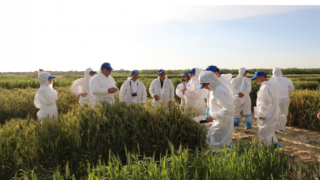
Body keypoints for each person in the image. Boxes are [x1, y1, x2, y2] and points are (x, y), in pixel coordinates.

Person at [199, 71, 234, 152]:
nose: (204, 88)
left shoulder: (220, 90)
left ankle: (222, 161)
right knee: (213, 142)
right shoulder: (215, 89)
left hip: (223, 122)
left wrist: (213, 117)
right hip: (218, 121)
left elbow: (228, 108)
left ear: (208, 82)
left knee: (219, 146)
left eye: (204, 85)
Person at [252, 71, 283, 148]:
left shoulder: (265, 87)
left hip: (267, 112)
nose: (256, 80)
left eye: (256, 78)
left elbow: (265, 103)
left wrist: (261, 114)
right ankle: (274, 143)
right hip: (274, 110)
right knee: (270, 129)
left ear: (262, 77)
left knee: (264, 131)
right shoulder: (273, 86)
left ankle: (265, 149)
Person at [272, 67, 295, 132]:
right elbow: (292, 89)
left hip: (275, 98)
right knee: (284, 112)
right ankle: (282, 127)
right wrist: (286, 91)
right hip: (285, 98)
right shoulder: (287, 79)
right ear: (280, 72)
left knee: (276, 113)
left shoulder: (271, 80)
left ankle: (276, 128)